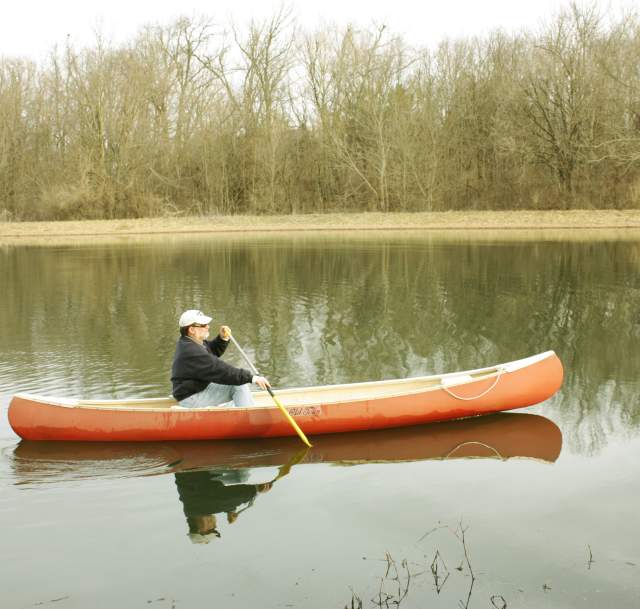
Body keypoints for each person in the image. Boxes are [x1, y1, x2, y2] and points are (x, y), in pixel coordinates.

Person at [171, 309, 270, 408]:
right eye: (203, 325)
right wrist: (252, 378)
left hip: (197, 389)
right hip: (192, 397)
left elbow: (211, 351)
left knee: (238, 388)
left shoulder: (190, 342)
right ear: (192, 330)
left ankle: (243, 411)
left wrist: (222, 338)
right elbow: (219, 369)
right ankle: (249, 419)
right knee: (239, 385)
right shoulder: (191, 350)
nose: (208, 326)